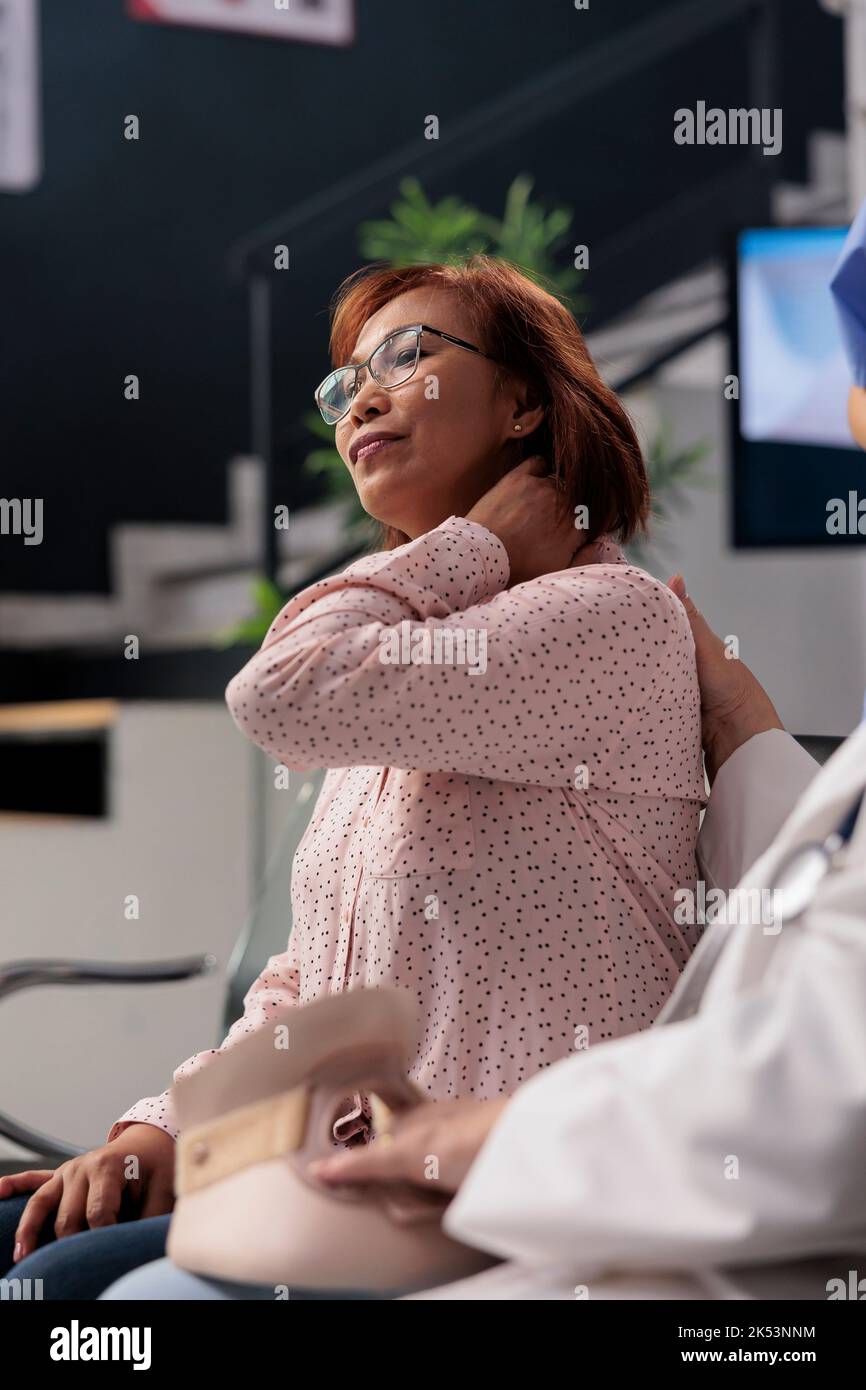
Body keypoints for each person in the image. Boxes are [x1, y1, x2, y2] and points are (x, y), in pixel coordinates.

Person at [1, 257, 709, 1297]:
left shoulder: (610, 619)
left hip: (495, 1197)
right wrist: (160, 1131)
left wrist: (464, 546)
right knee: (23, 1233)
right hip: (323, 1179)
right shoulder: (416, 654)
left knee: (53, 1292)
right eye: (343, 386)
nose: (359, 400)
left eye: (408, 358)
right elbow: (309, 981)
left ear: (521, 402)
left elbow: (277, 690)